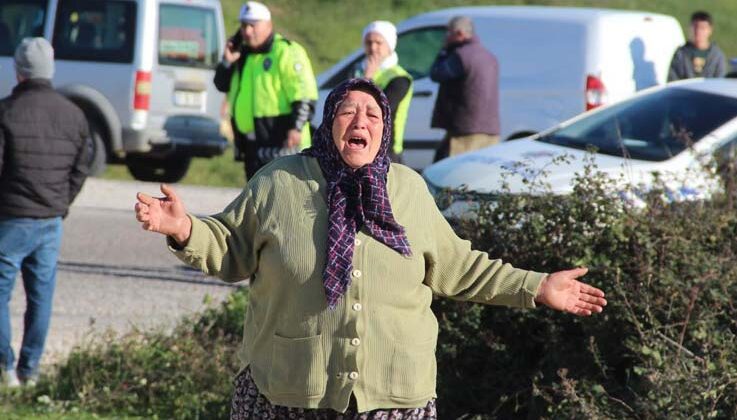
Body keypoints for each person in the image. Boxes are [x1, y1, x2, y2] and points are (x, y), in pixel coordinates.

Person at [134, 78, 606, 418]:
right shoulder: (280, 182)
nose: (360, 121)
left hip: (394, 396)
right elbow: (229, 247)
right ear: (329, 122)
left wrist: (537, 286)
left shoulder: (408, 189)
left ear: (384, 131)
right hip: (288, 391)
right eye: (347, 111)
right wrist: (183, 228)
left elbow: (461, 268)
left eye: (373, 115)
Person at [0, 38, 90, 387]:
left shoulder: (6, 112)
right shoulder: (74, 114)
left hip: (10, 219)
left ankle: (5, 369)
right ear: (50, 69)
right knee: (41, 299)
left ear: (18, 70)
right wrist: (61, 201)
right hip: (51, 221)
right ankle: (31, 371)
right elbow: (82, 167)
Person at [213, 1, 318, 180]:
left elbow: (304, 94)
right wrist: (227, 61)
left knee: (282, 199)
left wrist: (296, 127)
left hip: (282, 142)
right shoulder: (243, 55)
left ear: (268, 25)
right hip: (252, 145)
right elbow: (221, 84)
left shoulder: (286, 51)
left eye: (253, 25)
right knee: (257, 200)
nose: (247, 31)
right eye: (244, 25)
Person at [430, 16, 500, 162]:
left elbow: (436, 74)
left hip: (465, 131)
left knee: (453, 175)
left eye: (449, 33)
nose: (446, 38)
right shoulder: (490, 56)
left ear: (460, 34)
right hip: (491, 129)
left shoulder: (460, 56)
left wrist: (443, 51)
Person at [352, 21, 412, 162]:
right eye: (369, 42)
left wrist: (367, 78)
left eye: (379, 43)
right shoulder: (357, 71)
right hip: (360, 144)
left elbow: (380, 109)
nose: (373, 48)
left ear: (390, 46)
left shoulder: (399, 77)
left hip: (387, 150)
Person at [668, 11, 727, 81]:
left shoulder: (717, 56)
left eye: (702, 28)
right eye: (695, 27)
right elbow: (673, 80)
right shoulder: (680, 54)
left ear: (710, 30)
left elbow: (720, 81)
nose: (698, 31)